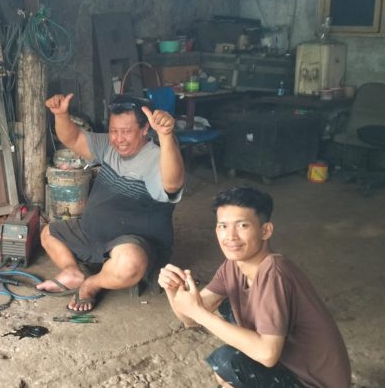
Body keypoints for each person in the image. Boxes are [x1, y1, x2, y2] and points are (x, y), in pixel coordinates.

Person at [158, 187, 351, 387]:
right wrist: (174, 291)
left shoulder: (274, 272)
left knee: (229, 361)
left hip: (313, 383)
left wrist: (198, 312)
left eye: (242, 225)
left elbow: (267, 354)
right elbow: (190, 319)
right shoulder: (232, 267)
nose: (230, 236)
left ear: (265, 231)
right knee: (228, 359)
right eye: (223, 226)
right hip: (287, 369)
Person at [35, 93, 185, 311]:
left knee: (130, 262)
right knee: (48, 233)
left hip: (133, 243)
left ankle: (91, 284)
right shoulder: (108, 145)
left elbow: (172, 184)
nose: (118, 138)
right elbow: (73, 139)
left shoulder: (157, 157)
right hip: (92, 233)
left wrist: (166, 136)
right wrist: (61, 115)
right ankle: (72, 271)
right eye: (114, 131)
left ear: (144, 129)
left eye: (126, 131)